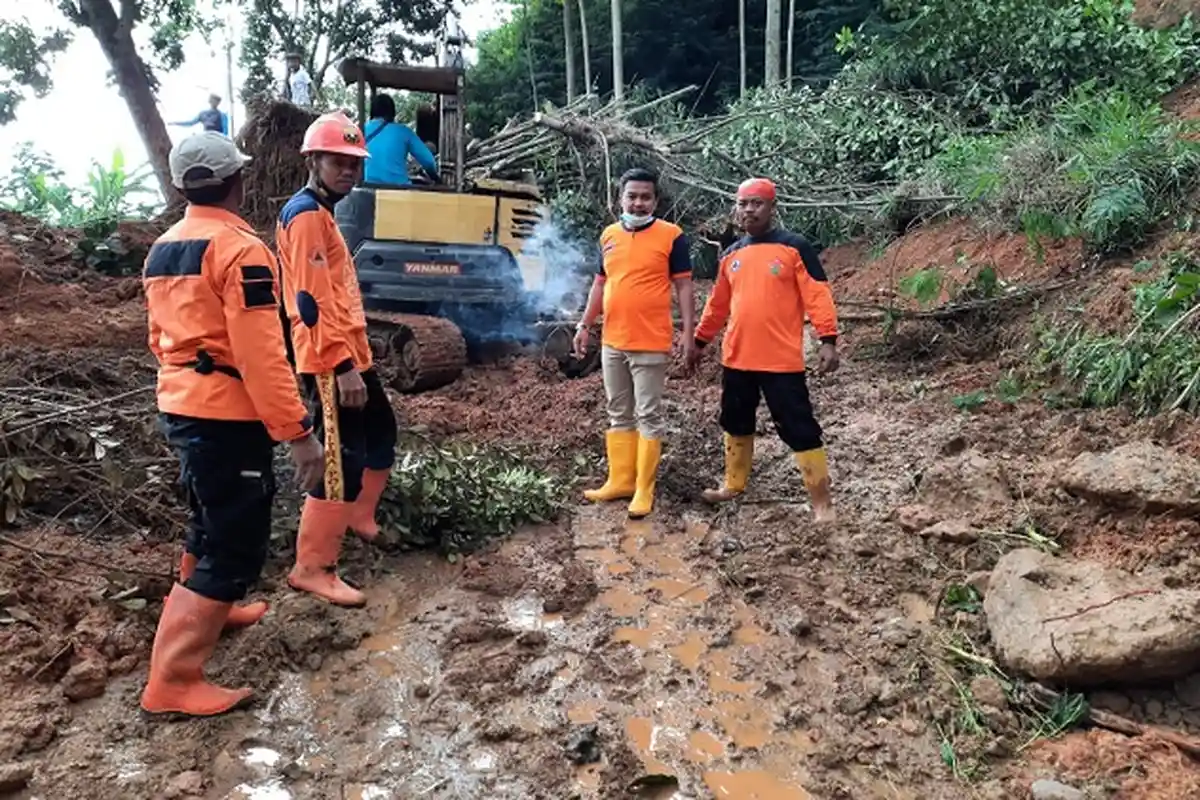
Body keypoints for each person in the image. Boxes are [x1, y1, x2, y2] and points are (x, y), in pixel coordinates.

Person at [140, 131, 325, 717]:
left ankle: (213, 612)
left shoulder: (164, 247)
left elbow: (158, 338)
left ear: (182, 186)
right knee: (234, 543)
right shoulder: (240, 250)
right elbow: (261, 356)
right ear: (238, 182)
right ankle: (173, 679)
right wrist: (299, 434)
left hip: (181, 403)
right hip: (225, 413)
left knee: (208, 517)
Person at [275, 111, 398, 608]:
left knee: (381, 432)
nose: (348, 171)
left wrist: (356, 357)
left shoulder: (323, 212)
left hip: (350, 351)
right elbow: (310, 302)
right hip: (329, 358)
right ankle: (313, 567)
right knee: (339, 458)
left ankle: (358, 517)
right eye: (337, 162)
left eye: (354, 163)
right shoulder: (306, 215)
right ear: (313, 161)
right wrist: (342, 366)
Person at [688, 177, 840, 523]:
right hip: (737, 358)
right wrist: (699, 341)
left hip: (781, 361)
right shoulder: (731, 254)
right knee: (735, 421)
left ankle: (822, 503)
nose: (749, 210)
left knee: (799, 426)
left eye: (756, 203)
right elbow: (717, 305)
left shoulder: (794, 247)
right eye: (743, 204)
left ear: (773, 207)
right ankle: (733, 485)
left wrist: (828, 338)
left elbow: (817, 294)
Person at [573, 168, 695, 519]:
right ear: (620, 199)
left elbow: (684, 285)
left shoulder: (672, 236)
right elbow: (600, 284)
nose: (638, 203)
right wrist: (584, 325)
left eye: (645, 197)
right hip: (613, 340)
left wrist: (689, 332)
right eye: (632, 196)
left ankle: (644, 488)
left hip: (650, 341)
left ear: (655, 201)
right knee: (618, 411)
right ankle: (621, 480)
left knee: (648, 415)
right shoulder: (609, 235)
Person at [362, 94, 440, 186]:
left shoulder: (361, 131)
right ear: (392, 113)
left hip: (366, 186)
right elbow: (429, 162)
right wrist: (435, 177)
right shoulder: (404, 131)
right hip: (399, 189)